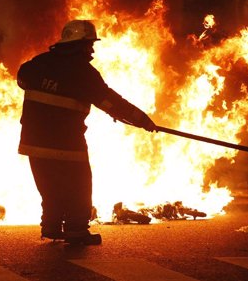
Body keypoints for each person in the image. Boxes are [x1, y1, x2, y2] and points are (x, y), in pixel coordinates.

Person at [17, 20, 157, 245]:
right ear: (79, 45)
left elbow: (22, 79)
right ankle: (77, 230)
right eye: (89, 45)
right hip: (66, 143)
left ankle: (52, 226)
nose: (91, 50)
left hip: (34, 141)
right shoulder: (84, 73)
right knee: (79, 185)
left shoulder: (37, 65)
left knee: (49, 186)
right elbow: (111, 102)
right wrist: (141, 120)